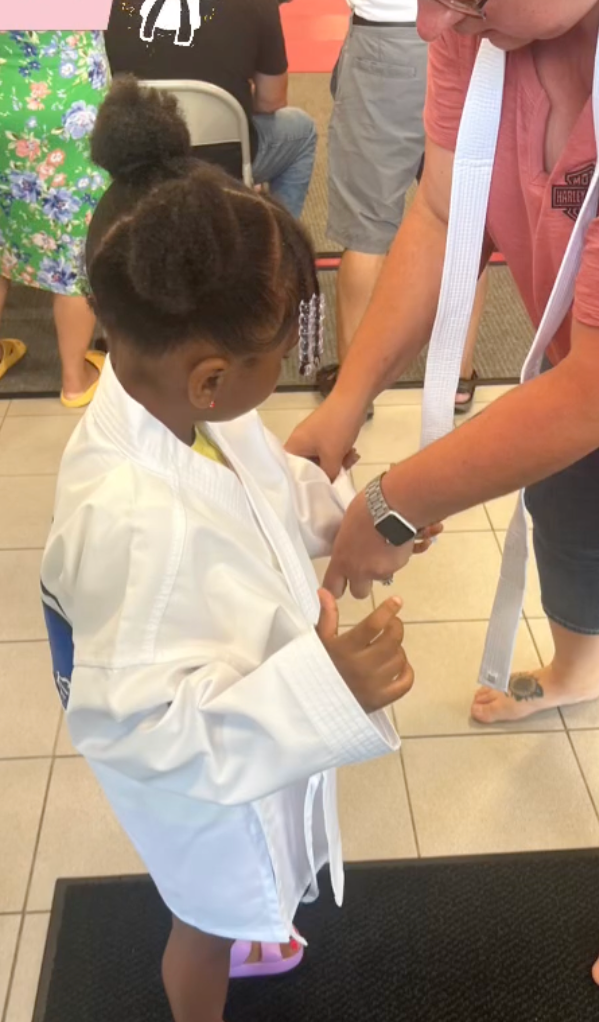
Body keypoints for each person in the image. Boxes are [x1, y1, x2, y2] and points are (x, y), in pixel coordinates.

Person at [283, 0, 599, 992]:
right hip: (569, 356)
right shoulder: (476, 32)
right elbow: (443, 206)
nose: (434, 20)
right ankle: (577, 668)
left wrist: (392, 504)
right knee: (569, 504)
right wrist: (347, 403)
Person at [40, 77, 415, 1022]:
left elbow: (269, 486)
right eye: (280, 353)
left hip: (238, 716)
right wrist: (330, 687)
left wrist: (351, 511)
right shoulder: (130, 518)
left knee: (254, 882)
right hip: (195, 785)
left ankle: (260, 915)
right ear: (211, 376)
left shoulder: (184, 409)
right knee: (203, 921)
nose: (285, 368)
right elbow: (136, 727)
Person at [321, 0, 486, 411]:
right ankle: (457, 373)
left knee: (368, 227)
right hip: (463, 36)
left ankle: (356, 386)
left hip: (383, 42)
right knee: (465, 219)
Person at [104, 0, 318, 222]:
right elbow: (272, 99)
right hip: (221, 158)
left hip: (124, 148)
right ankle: (278, 250)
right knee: (302, 132)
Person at [0, 0, 113, 405]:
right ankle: (74, 378)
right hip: (71, 101)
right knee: (75, 242)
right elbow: (97, 1)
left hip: (4, 96)